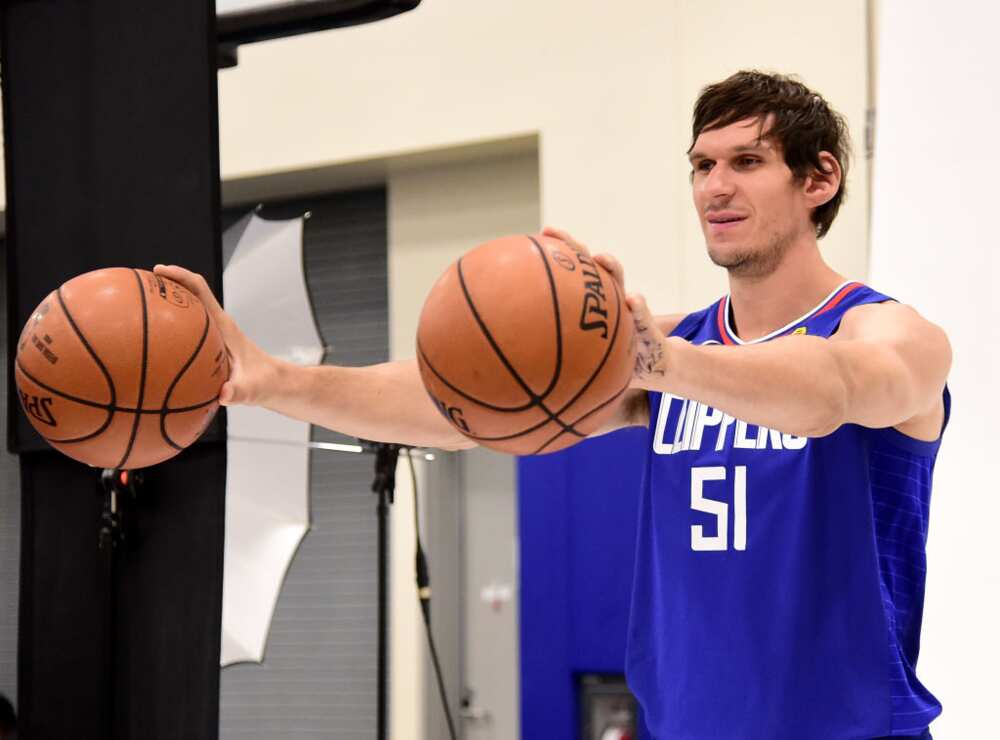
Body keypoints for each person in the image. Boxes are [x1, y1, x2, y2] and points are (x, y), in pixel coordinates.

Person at [157, 70, 950, 739]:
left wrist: (661, 361)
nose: (716, 186)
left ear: (819, 179)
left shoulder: (890, 333)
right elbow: (450, 405)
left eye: (747, 161)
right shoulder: (683, 348)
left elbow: (831, 390)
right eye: (702, 164)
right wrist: (275, 383)